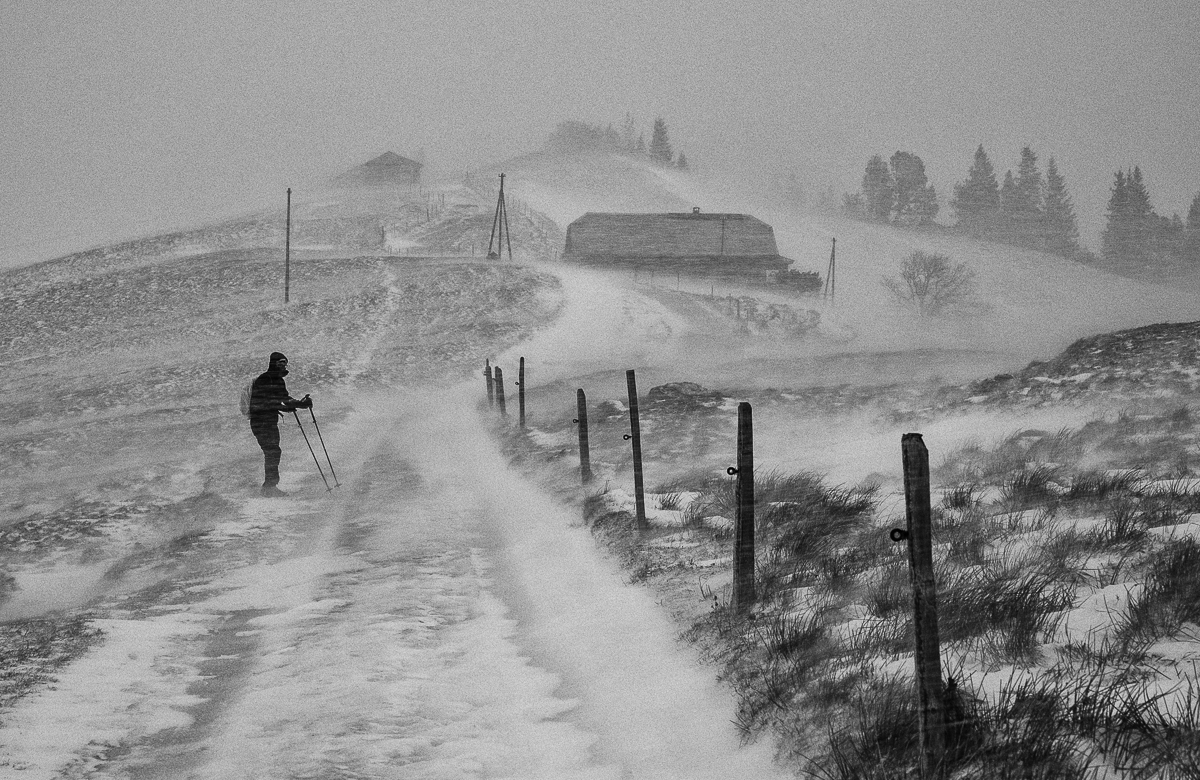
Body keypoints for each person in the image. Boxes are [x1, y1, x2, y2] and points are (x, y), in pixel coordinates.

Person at [248, 352, 312, 496]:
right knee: (272, 451)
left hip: (269, 422)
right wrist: (287, 406)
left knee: (274, 451)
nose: (283, 364)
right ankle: (269, 488)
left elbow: (283, 398)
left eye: (285, 362)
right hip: (261, 422)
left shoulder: (278, 380)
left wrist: (300, 404)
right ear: (273, 362)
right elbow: (267, 401)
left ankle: (269, 487)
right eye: (281, 362)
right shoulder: (264, 379)